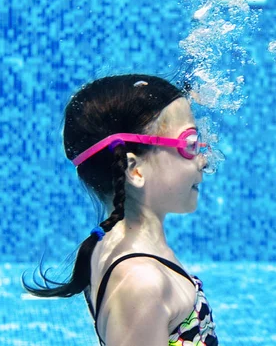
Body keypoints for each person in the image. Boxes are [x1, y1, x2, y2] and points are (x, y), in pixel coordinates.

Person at [23, 74, 219, 346]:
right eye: (190, 144)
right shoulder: (141, 282)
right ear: (134, 169)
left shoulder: (113, 244)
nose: (204, 159)